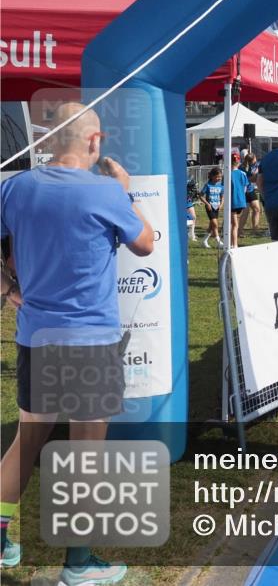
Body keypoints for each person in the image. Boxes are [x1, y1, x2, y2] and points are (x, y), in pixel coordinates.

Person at [0, 102, 154, 584]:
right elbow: (145, 243)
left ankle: (4, 539)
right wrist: (127, 195)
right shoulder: (107, 191)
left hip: (37, 337)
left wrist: (7, 291)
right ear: (94, 141)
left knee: (27, 442)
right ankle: (79, 563)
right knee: (86, 452)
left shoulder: (15, 188)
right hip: (90, 340)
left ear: (47, 142)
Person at [229, 154, 249, 248]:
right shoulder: (243, 174)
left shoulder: (228, 174)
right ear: (238, 162)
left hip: (232, 201)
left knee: (234, 225)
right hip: (241, 201)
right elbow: (245, 188)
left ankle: (234, 245)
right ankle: (231, 243)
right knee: (233, 223)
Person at [201, 167, 224, 248]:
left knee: (211, 226)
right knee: (215, 224)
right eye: (217, 176)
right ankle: (218, 242)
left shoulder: (221, 186)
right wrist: (207, 204)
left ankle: (204, 241)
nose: (219, 178)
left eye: (220, 177)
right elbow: (201, 196)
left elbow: (222, 196)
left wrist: (221, 204)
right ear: (212, 176)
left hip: (217, 207)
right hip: (210, 207)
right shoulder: (207, 185)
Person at [241, 153, 262, 235]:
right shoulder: (243, 168)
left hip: (251, 190)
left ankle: (255, 229)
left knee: (257, 209)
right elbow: (252, 178)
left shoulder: (257, 165)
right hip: (244, 191)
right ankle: (239, 230)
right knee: (246, 211)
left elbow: (255, 177)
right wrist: (254, 176)